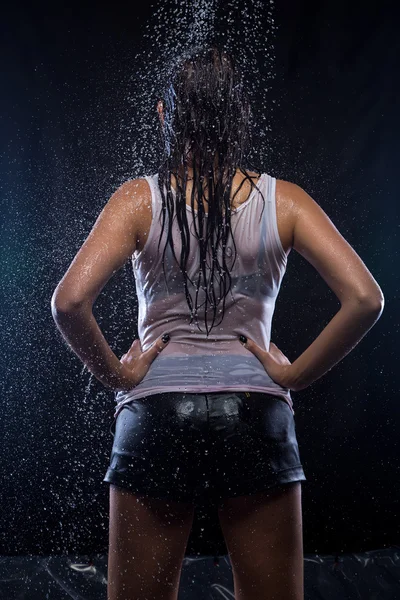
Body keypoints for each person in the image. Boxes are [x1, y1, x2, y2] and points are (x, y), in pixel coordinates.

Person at [51, 44, 384, 600]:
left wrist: (117, 374)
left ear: (164, 114)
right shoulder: (285, 201)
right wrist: (294, 374)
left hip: (155, 411)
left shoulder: (138, 200)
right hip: (256, 411)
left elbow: (68, 303)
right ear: (238, 115)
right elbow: (366, 299)